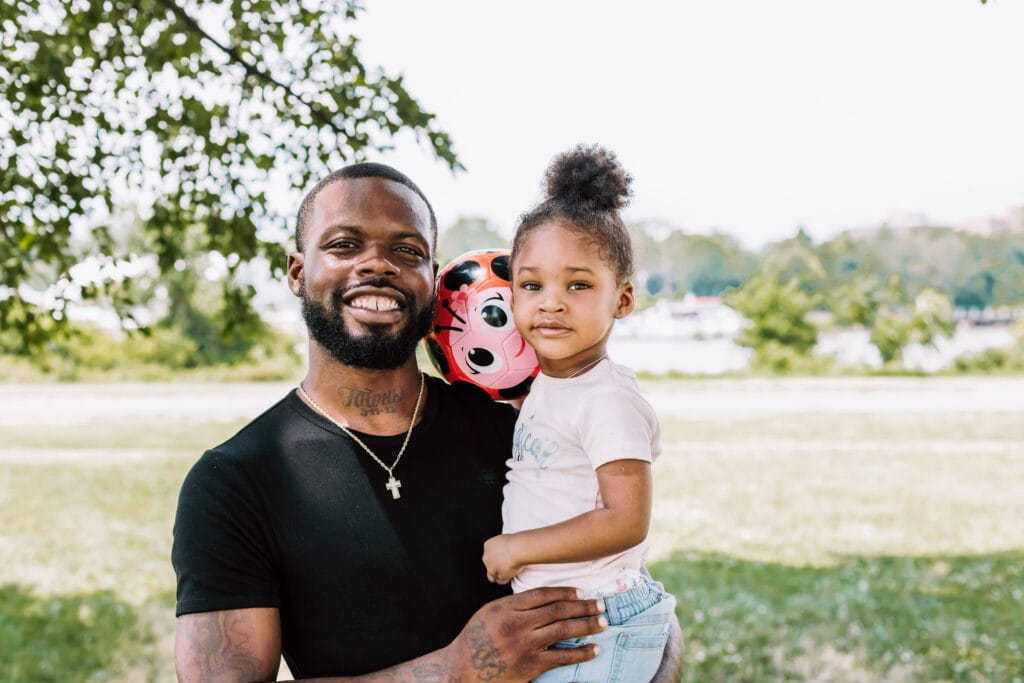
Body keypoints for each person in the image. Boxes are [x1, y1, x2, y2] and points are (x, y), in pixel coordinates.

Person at [171, 162, 684, 681]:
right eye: (345, 245)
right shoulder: (233, 482)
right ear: (298, 272)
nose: (378, 265)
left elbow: (632, 601)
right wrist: (455, 670)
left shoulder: (515, 430)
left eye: (407, 250)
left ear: (435, 280)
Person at [482, 145, 677, 682]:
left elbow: (626, 519)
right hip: (569, 613)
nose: (551, 302)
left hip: (598, 621)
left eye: (578, 284)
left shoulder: (607, 399)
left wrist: (517, 548)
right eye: (531, 284)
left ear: (623, 299)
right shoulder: (554, 383)